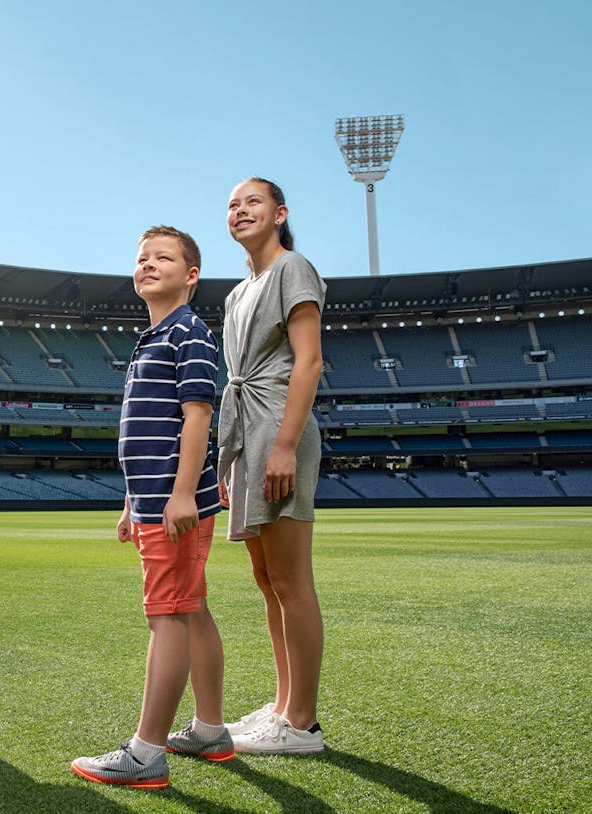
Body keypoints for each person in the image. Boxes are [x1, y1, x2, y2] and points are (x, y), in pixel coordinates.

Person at [71, 226, 228, 790]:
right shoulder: (152, 336)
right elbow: (146, 433)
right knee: (191, 608)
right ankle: (210, 729)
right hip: (154, 498)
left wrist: (181, 493)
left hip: (174, 502)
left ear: (191, 275)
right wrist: (130, 503)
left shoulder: (190, 332)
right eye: (141, 258)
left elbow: (197, 417)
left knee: (166, 615)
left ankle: (145, 753)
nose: (148, 264)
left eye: (163, 257)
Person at [217, 177, 327, 754]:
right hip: (248, 433)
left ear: (280, 213)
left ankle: (303, 723)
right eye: (232, 205)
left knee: (291, 580)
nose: (240, 211)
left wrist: (283, 444)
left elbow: (308, 361)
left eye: (252, 202)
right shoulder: (237, 294)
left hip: (280, 425)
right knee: (266, 582)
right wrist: (229, 458)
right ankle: (283, 705)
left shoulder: (294, 269)